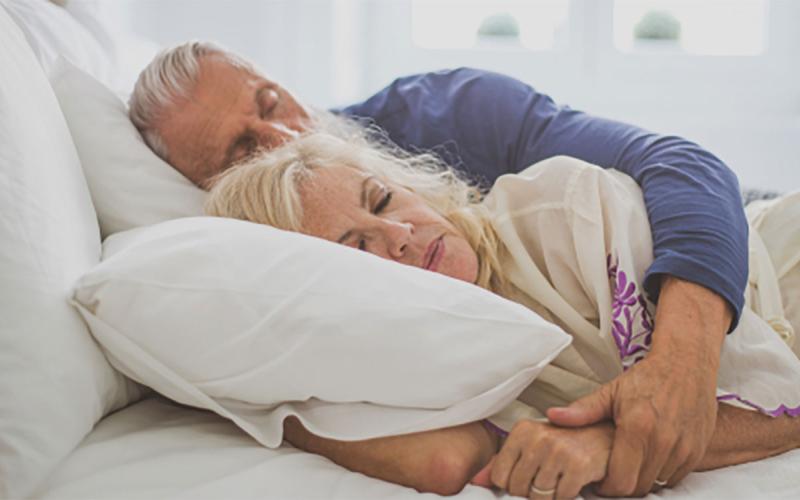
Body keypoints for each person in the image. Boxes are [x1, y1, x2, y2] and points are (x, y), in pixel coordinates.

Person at [129, 41, 750, 496]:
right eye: (245, 149)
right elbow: (444, 461)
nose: (286, 132)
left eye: (270, 101)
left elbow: (685, 168)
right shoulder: (282, 274)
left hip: (725, 230)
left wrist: (680, 366)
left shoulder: (448, 111)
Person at [202, 132, 800, 499]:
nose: (400, 234)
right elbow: (443, 463)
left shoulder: (566, 210)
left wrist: (606, 444)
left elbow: (782, 398)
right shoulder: (411, 358)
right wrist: (258, 406)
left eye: (382, 199)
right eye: (359, 249)